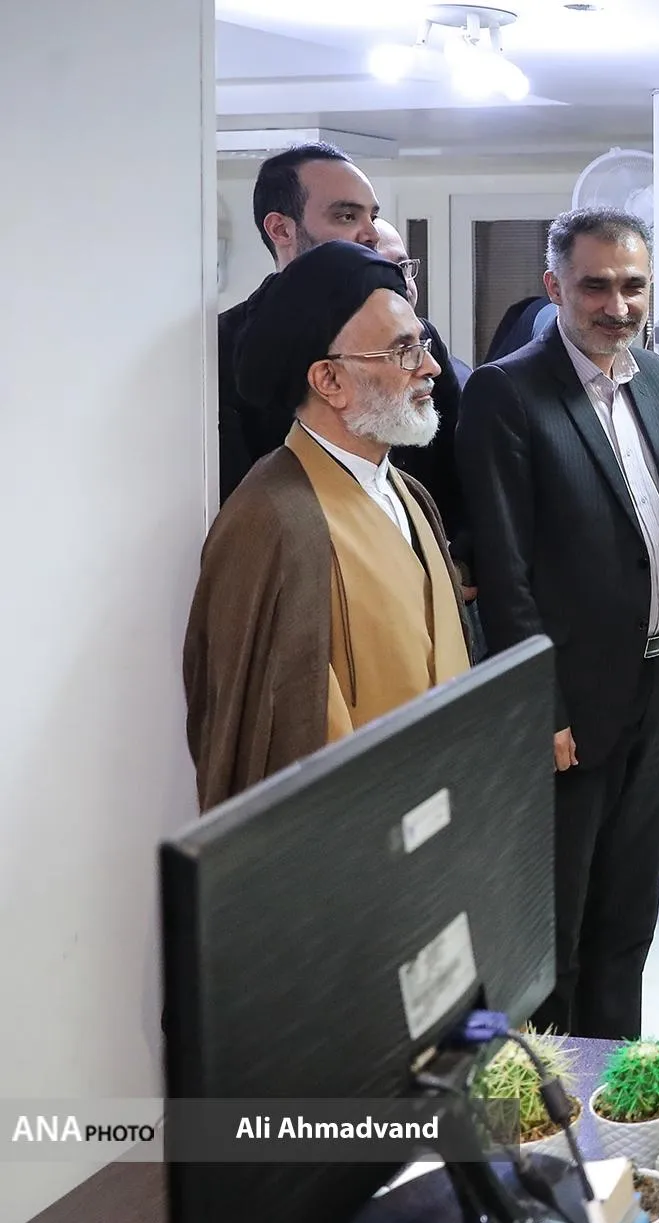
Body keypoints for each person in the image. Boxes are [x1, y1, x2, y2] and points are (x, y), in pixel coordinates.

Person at [458, 207, 659, 1039]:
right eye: (596, 286)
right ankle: (550, 1099)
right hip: (569, 703)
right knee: (558, 935)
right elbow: (504, 571)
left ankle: (618, 1083)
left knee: (628, 918)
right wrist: (542, 705)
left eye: (634, 285)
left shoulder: (655, 377)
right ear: (554, 287)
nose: (618, 305)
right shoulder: (507, 391)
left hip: (654, 685)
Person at [185, 241, 471, 811]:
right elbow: (270, 736)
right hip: (357, 829)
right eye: (403, 351)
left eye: (422, 345)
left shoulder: (408, 492)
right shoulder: (271, 520)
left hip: (443, 810)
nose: (431, 367)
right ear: (329, 380)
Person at [219, 142, 385, 502]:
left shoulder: (414, 341)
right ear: (281, 229)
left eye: (372, 216)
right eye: (347, 216)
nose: (372, 234)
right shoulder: (221, 349)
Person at [371, 219, 473, 603]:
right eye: (386, 269)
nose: (403, 282)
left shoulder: (429, 339)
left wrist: (461, 560)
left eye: (404, 267)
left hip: (438, 562)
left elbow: (460, 457)